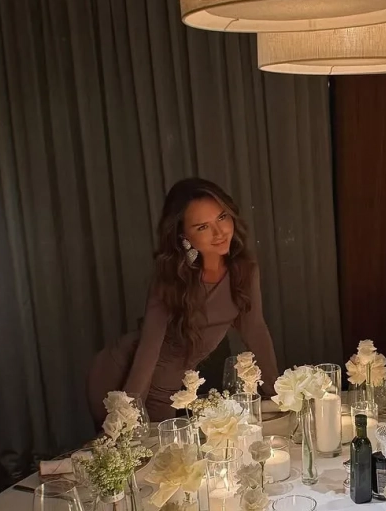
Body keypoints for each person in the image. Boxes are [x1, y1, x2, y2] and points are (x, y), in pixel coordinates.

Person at [87, 178, 279, 423]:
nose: (220, 232)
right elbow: (148, 349)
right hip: (125, 379)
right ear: (182, 235)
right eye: (202, 227)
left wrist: (279, 395)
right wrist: (129, 413)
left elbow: (255, 330)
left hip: (170, 386)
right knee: (136, 443)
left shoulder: (244, 270)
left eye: (222, 217)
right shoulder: (170, 278)